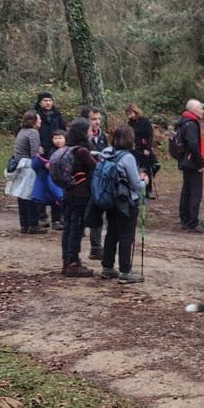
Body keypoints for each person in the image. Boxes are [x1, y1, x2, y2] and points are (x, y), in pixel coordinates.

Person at [97, 126, 148, 284]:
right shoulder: (128, 158)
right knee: (126, 235)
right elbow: (136, 185)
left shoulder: (107, 153)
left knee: (112, 232)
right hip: (126, 201)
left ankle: (107, 267)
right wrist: (144, 180)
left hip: (110, 199)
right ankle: (125, 271)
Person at [60, 118, 97, 277]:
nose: (92, 131)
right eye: (89, 129)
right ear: (83, 132)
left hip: (68, 191)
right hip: (80, 194)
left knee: (68, 227)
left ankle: (67, 260)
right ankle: (73, 263)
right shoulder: (82, 151)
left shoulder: (68, 148)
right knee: (76, 228)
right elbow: (95, 168)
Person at [6, 110, 44, 234]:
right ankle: (33, 224)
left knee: (21, 196)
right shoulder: (33, 133)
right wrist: (40, 152)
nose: (40, 121)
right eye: (38, 119)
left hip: (19, 164)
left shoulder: (21, 132)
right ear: (34, 121)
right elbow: (34, 154)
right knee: (30, 195)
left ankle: (24, 224)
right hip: (28, 166)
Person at [34, 91, 66, 229]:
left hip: (56, 152)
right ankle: (41, 216)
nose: (48, 103)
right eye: (45, 100)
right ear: (40, 102)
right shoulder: (35, 115)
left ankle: (57, 218)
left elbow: (63, 131)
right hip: (41, 154)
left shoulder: (57, 115)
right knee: (42, 185)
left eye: (50, 100)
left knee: (56, 185)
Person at [176, 99, 204, 233]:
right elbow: (193, 145)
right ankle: (192, 222)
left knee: (187, 190)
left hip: (185, 161)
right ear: (194, 110)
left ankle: (186, 218)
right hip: (192, 163)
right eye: (201, 108)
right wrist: (200, 163)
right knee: (195, 192)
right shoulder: (191, 124)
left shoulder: (184, 122)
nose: (203, 111)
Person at [85, 107, 107, 262]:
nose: (97, 122)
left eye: (98, 118)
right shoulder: (82, 137)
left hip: (99, 178)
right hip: (85, 179)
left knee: (97, 211)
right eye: (93, 119)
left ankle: (96, 247)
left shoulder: (102, 135)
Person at [125, 102, 158, 199]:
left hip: (145, 148)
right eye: (128, 113)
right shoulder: (130, 123)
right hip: (134, 149)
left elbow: (150, 135)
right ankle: (137, 189)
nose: (129, 115)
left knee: (148, 168)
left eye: (130, 113)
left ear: (135, 111)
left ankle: (149, 189)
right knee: (136, 169)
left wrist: (148, 148)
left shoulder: (145, 121)